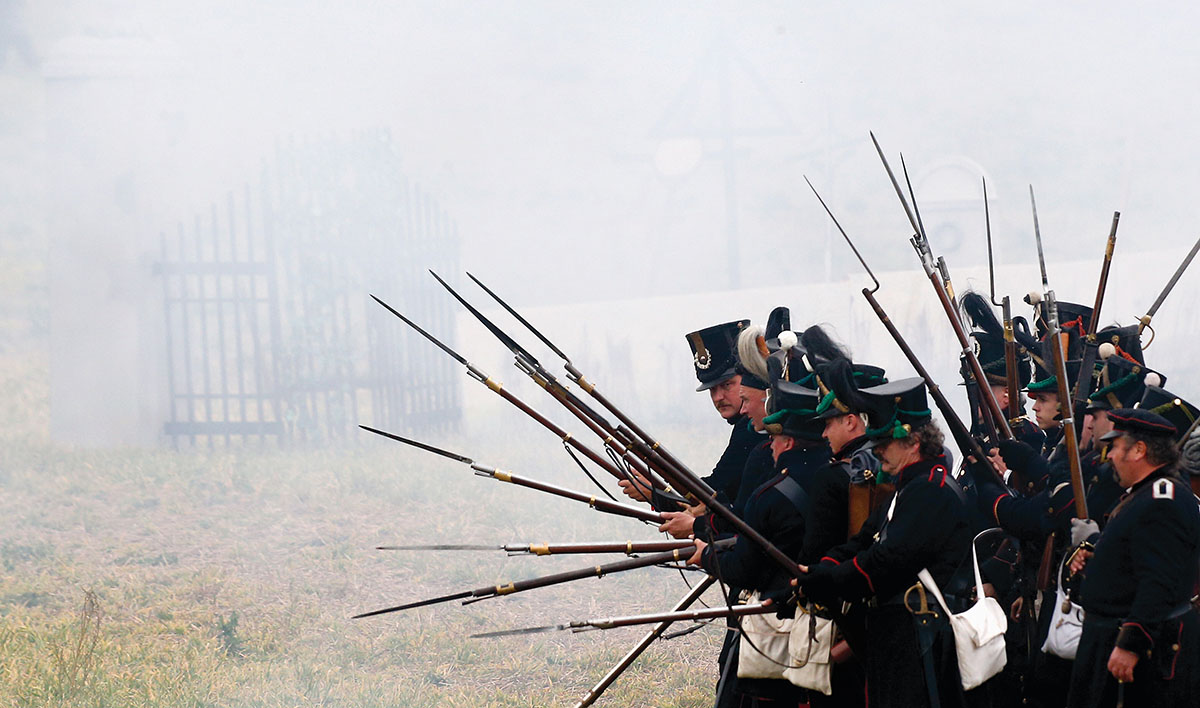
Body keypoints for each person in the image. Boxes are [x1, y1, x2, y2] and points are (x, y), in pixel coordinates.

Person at [796, 378, 975, 708]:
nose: (877, 451)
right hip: (899, 638)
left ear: (913, 443)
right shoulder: (910, 487)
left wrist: (829, 579)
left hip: (921, 638)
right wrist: (818, 570)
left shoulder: (929, 491)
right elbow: (863, 542)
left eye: (885, 443)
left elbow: (889, 560)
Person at [1065, 408, 1200, 707]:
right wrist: (1098, 557)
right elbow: (1137, 558)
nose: (1110, 455)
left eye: (1115, 446)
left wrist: (1131, 644)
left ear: (1139, 450)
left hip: (1140, 649)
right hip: (1109, 635)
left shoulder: (1162, 500)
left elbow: (1159, 581)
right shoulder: (1145, 494)